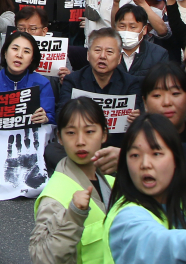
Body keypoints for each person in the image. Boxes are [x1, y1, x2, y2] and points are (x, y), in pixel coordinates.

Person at [30, 98, 115, 264]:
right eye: (71, 133)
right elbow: (41, 257)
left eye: (89, 131)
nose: (80, 141)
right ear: (59, 138)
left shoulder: (113, 182)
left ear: (104, 134)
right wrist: (73, 216)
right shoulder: (55, 197)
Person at [103, 113, 186, 262]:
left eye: (156, 153)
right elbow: (161, 245)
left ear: (176, 158)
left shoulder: (179, 203)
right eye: (135, 155)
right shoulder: (127, 218)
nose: (145, 164)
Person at [54, 29, 139, 172]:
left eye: (109, 52)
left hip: (115, 147)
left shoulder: (131, 83)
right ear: (88, 55)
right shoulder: (73, 80)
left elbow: (136, 121)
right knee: (52, 151)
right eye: (97, 50)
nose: (103, 56)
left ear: (119, 59)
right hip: (81, 145)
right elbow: (61, 114)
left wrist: (137, 116)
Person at [0, 31, 56, 134]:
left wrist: (46, 118)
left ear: (32, 58)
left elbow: (52, 119)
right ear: (5, 53)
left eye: (26, 51)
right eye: (15, 49)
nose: (19, 55)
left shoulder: (42, 84)